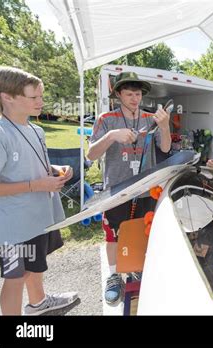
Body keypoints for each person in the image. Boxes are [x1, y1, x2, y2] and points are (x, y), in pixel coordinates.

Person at [0, 66, 78, 315]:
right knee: (14, 277)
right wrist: (36, 185)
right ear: (7, 96)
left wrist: (56, 169)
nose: (40, 102)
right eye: (33, 97)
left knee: (34, 267)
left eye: (41, 96)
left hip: (36, 218)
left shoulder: (36, 129)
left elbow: (32, 164)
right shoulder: (1, 133)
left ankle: (38, 303)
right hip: (12, 225)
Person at [87, 71, 171, 304]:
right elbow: (91, 154)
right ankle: (114, 276)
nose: (134, 98)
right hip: (116, 189)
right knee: (113, 234)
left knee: (142, 229)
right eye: (129, 93)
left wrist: (163, 127)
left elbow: (164, 149)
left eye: (138, 93)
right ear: (118, 94)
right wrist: (113, 136)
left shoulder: (149, 118)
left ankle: (136, 267)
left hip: (145, 188)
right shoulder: (106, 119)